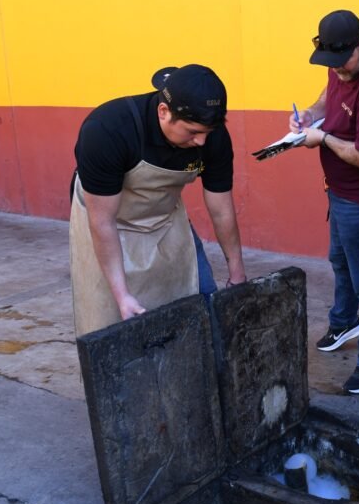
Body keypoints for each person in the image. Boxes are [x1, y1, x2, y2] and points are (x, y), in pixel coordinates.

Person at [69, 64, 247, 337]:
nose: (201, 141)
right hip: (106, 222)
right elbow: (102, 222)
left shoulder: (212, 136)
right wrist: (122, 297)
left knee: (203, 303)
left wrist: (237, 275)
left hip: (165, 217)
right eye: (192, 132)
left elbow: (221, 209)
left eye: (207, 132)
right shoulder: (107, 130)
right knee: (112, 327)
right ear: (163, 112)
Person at [289, 10, 359, 394]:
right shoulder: (342, 63)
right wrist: (310, 115)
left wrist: (322, 139)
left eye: (343, 62)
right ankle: (344, 321)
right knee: (339, 260)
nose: (337, 69)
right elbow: (328, 95)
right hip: (339, 191)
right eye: (331, 62)